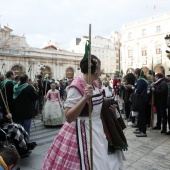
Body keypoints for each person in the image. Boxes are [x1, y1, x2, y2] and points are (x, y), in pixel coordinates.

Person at [41, 55, 125, 170]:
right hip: (82, 130)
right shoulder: (75, 87)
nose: (100, 70)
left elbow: (96, 104)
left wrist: (108, 105)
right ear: (96, 68)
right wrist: (84, 98)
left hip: (98, 128)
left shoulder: (95, 84)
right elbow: (69, 117)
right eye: (100, 67)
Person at [13, 74, 39, 139]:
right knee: (26, 129)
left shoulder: (15, 87)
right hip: (27, 110)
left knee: (19, 128)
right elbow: (35, 97)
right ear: (27, 79)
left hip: (17, 110)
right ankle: (26, 143)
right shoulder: (29, 87)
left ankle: (20, 142)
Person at [127, 68, 148, 137]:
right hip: (140, 100)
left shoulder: (141, 81)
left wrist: (132, 87)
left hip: (141, 100)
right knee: (140, 115)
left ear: (138, 74)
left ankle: (143, 131)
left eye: (135, 74)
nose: (135, 75)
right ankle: (140, 129)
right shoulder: (140, 80)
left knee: (142, 116)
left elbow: (138, 91)